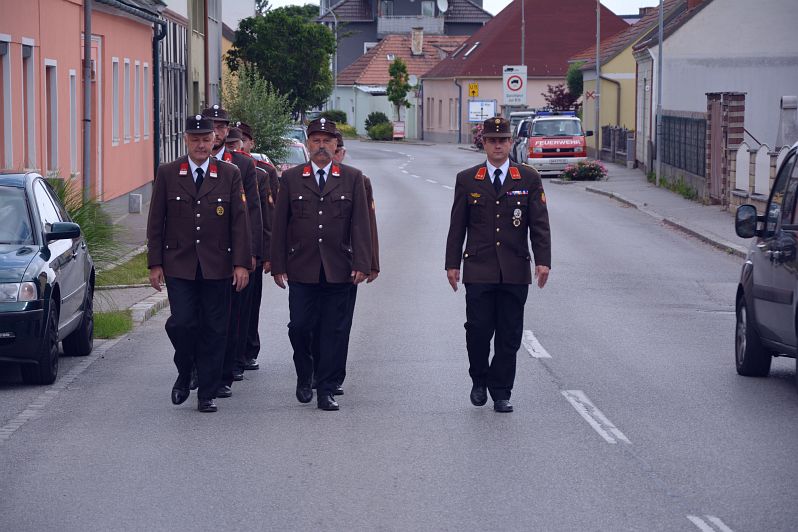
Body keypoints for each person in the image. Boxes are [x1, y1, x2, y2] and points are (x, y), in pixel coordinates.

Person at [445, 116, 551, 413]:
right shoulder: (468, 179)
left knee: (509, 334)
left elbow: (539, 224)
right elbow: (457, 226)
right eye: (492, 141)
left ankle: (502, 391)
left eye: (503, 140)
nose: (498, 146)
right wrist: (452, 264)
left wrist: (543, 261)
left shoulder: (528, 178)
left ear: (510, 142)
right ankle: (479, 380)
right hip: (479, 269)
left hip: (515, 269)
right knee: (478, 330)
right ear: (484, 144)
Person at [146, 114, 250, 413]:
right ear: (186, 141)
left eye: (206, 139)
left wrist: (241, 263)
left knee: (215, 329)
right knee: (182, 322)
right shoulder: (168, 173)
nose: (201, 145)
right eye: (195, 140)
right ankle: (185, 369)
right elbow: (156, 221)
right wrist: (155, 263)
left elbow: (239, 223)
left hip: (218, 264)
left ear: (214, 140)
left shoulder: (229, 173)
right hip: (179, 264)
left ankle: (207, 392)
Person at [270, 118, 372, 411]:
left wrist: (362, 262)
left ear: (336, 145)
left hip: (339, 267)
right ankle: (305, 374)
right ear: (308, 144)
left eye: (327, 141)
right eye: (316, 141)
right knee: (299, 327)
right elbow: (280, 225)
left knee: (333, 331)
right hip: (302, 267)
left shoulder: (352, 178)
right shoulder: (292, 178)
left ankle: (326, 389)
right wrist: (278, 264)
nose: (322, 146)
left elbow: (360, 224)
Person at [311, 131, 379, 395]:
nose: (331, 154)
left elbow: (367, 224)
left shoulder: (358, 180)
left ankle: (333, 375)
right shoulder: (304, 179)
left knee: (338, 324)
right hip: (311, 263)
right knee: (311, 323)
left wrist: (370, 262)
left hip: (344, 263)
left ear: (341, 152)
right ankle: (316, 370)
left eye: (336, 149)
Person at [202, 105, 263, 397]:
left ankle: (229, 366)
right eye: (211, 126)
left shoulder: (243, 165)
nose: (216, 132)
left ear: (227, 132)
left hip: (231, 252)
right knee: (195, 317)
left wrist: (251, 253)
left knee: (231, 314)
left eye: (221, 127)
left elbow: (251, 212)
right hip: (198, 253)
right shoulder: (184, 165)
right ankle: (197, 366)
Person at [232, 121, 277, 372]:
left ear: (250, 143)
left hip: (254, 250)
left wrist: (267, 252)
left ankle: (248, 349)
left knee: (250, 305)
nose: (237, 147)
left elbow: (268, 215)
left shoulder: (263, 172)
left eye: (242, 142)